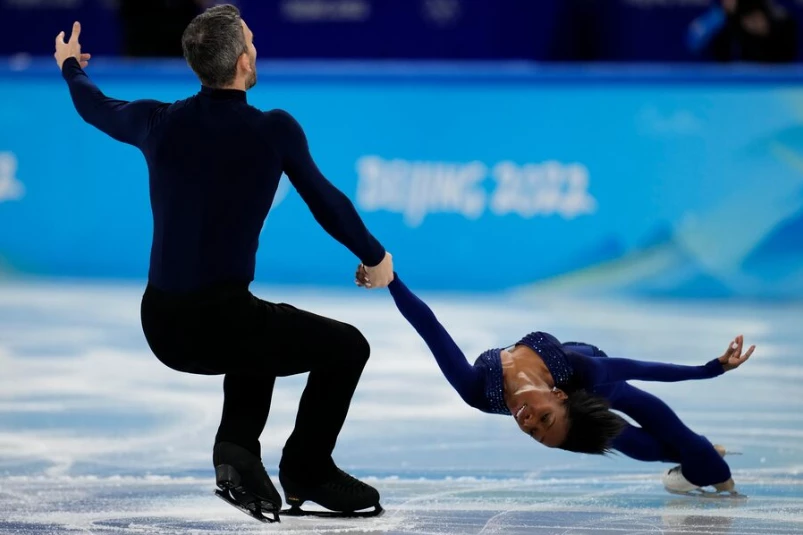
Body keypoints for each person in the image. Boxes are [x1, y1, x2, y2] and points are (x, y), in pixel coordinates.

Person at [53, 5, 394, 523]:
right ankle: (305, 468)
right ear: (240, 61)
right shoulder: (273, 129)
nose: (256, 50)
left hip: (162, 323)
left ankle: (237, 452)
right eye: (251, 43)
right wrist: (375, 258)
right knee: (347, 347)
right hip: (220, 323)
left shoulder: (156, 121)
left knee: (259, 325)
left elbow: (94, 106)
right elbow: (326, 200)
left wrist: (70, 66)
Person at [358, 269, 755, 496]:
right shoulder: (578, 372)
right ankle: (710, 469)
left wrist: (389, 277)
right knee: (671, 447)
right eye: (543, 421)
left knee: (686, 442)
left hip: (597, 387)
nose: (527, 422)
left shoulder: (477, 389)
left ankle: (705, 467)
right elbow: (639, 367)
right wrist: (712, 368)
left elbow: (429, 328)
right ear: (557, 396)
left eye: (533, 431)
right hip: (596, 381)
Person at [688, 0, 797, 63]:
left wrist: (765, 31)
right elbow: (694, 43)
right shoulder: (720, 16)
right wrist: (721, 15)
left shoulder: (778, 17)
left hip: (771, 81)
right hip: (729, 82)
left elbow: (787, 56)